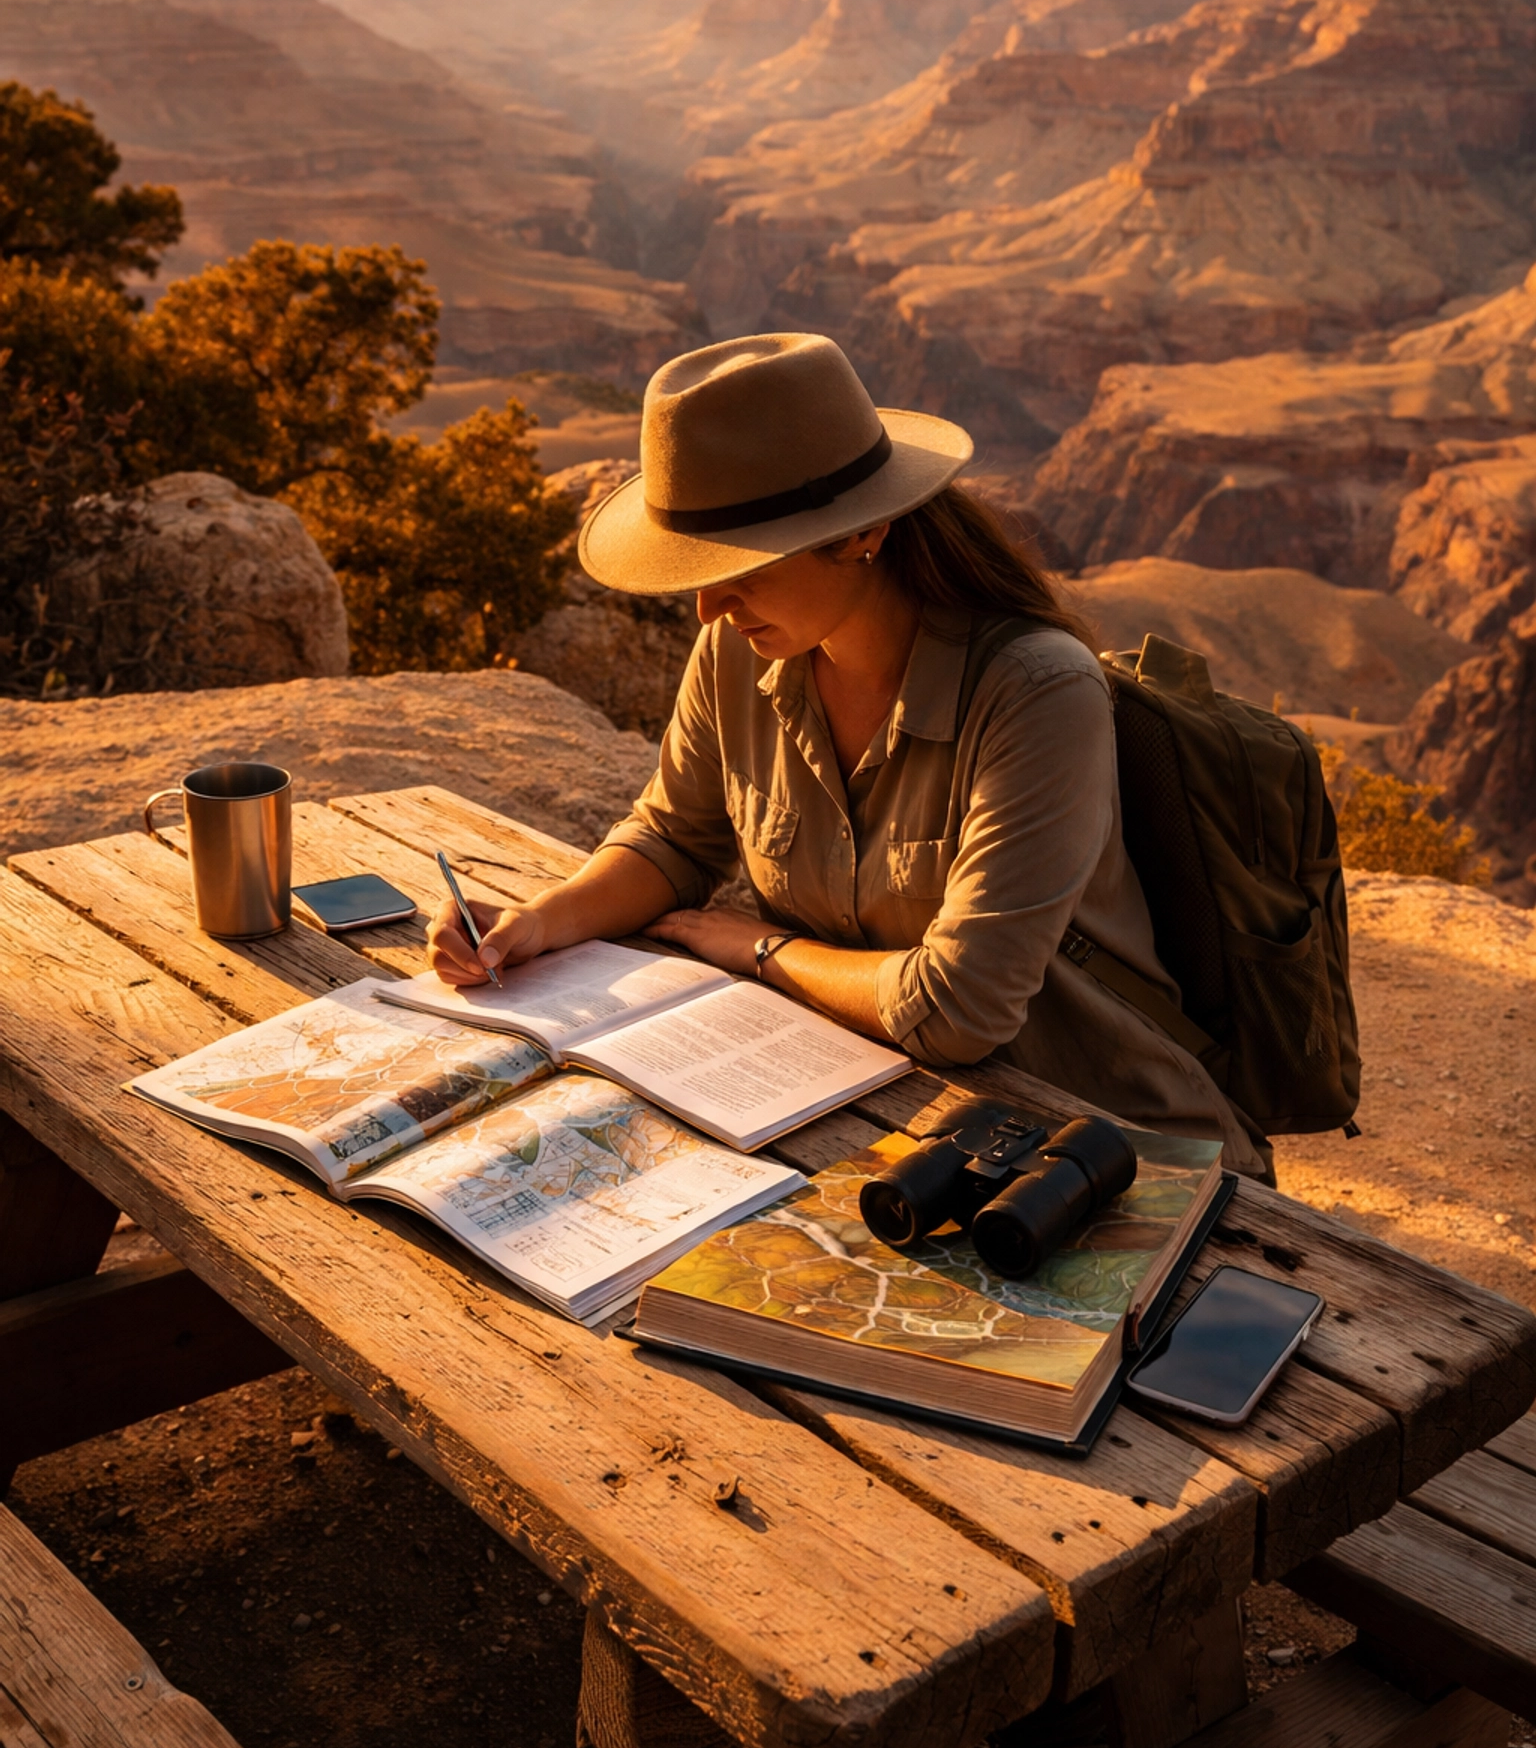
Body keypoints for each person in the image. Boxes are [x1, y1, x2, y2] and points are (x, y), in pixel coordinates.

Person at [427, 332, 1265, 1172]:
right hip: (880, 1110)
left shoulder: (1036, 692)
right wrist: (538, 922)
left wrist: (760, 950)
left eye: (736, 566)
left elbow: (958, 1011)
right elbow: (676, 840)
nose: (707, 607)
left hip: (1105, 1147)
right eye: (696, 568)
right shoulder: (742, 650)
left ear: (862, 534)